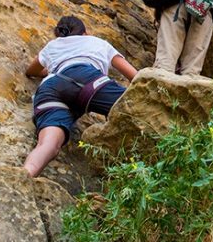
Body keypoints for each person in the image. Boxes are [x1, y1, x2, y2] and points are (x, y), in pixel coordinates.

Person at [23, 16, 137, 177]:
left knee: (48, 145)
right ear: (85, 32)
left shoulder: (53, 45)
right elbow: (135, 77)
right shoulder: (97, 42)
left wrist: (52, 71)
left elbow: (31, 71)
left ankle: (25, 174)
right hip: (86, 79)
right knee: (135, 109)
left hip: (50, 88)